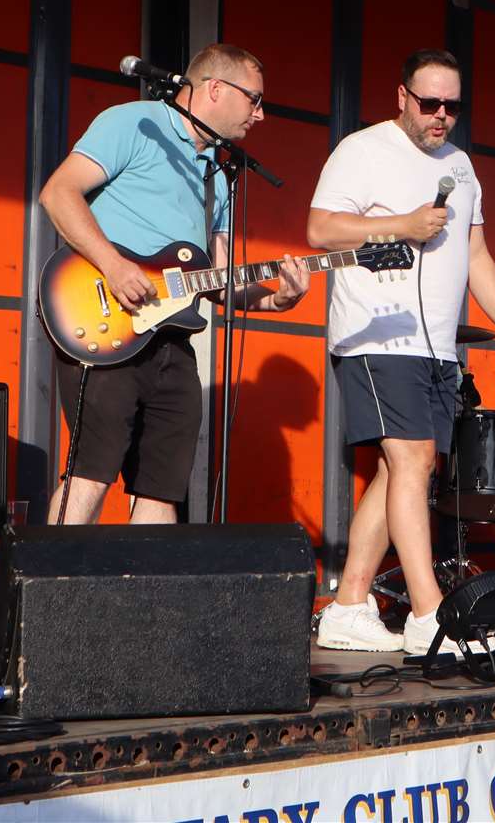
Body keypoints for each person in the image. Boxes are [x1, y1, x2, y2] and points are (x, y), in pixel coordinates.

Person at [308, 48, 495, 656]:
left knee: (400, 470)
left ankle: (350, 604)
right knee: (414, 463)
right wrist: (401, 225)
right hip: (378, 335)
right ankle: (429, 614)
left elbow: (475, 253)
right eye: (429, 103)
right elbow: (320, 229)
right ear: (400, 96)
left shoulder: (460, 165)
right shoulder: (363, 150)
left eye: (451, 106)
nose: (440, 116)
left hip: (439, 346)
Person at [38, 44, 311, 525]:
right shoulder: (135, 123)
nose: (261, 114)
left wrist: (278, 299)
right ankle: (43, 600)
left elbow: (221, 283)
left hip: (173, 343)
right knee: (90, 475)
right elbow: (58, 193)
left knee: (161, 489)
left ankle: (147, 601)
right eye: (254, 100)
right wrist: (114, 265)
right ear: (215, 89)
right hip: (106, 324)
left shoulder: (218, 179)